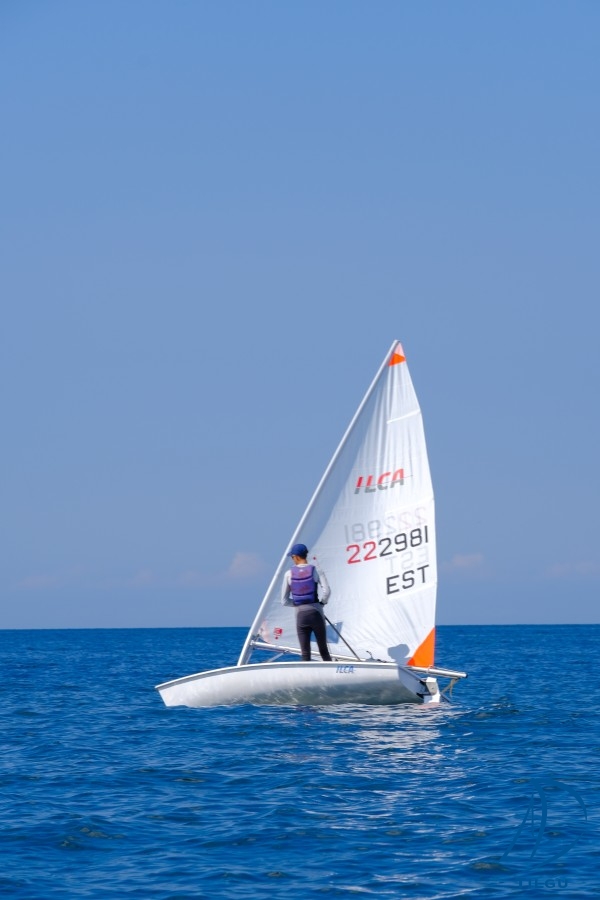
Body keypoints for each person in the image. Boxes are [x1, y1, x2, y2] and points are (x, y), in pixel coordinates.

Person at [282, 543, 332, 662]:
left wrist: (298, 604)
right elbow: (327, 591)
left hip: (301, 616)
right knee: (323, 650)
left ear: (295, 557)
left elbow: (284, 601)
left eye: (292, 557)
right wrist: (322, 603)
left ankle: (304, 672)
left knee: (305, 653)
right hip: (316, 613)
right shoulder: (316, 570)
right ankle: (331, 670)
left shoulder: (288, 574)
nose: (292, 559)